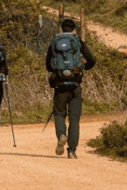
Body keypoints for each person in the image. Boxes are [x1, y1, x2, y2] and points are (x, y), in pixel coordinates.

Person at [45, 18, 97, 159]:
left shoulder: (54, 42)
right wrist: (82, 68)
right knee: (74, 119)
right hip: (75, 85)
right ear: (74, 29)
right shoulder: (78, 42)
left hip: (59, 85)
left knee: (59, 113)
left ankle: (61, 135)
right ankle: (72, 151)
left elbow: (48, 66)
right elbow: (92, 60)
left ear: (61, 29)